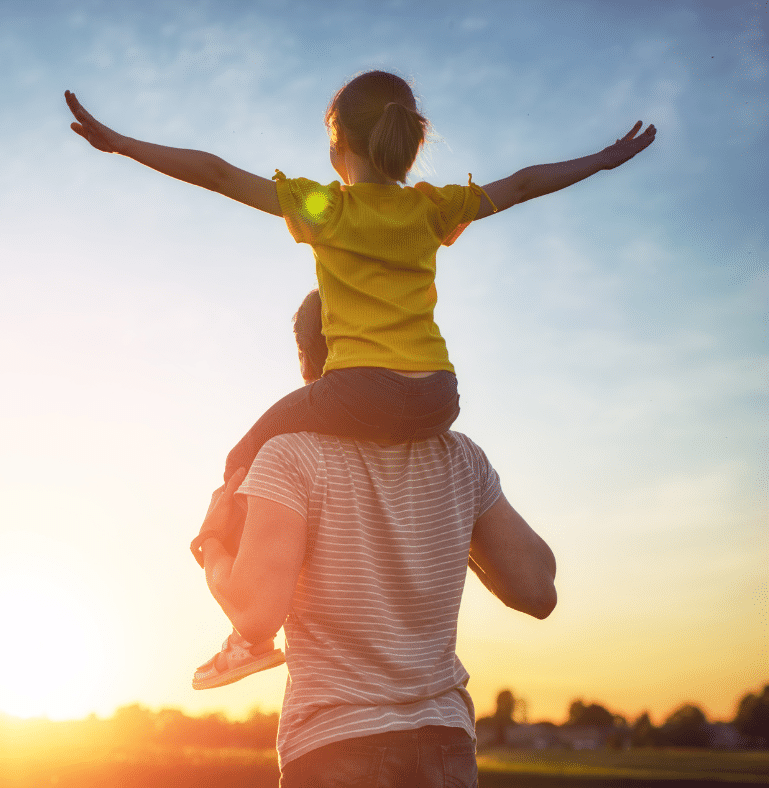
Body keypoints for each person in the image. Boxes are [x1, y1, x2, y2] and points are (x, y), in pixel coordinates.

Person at [65, 69, 654, 684]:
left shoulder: (327, 207)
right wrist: (605, 160)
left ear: (337, 141)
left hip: (359, 390)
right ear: (407, 141)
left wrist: (124, 144)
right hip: (437, 396)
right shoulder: (431, 207)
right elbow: (528, 181)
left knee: (245, 453)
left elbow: (216, 172)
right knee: (329, 436)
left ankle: (247, 634)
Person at [195, 288, 557, 787]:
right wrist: (454, 523)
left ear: (306, 359)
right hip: (444, 745)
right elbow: (538, 589)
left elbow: (256, 617)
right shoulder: (461, 458)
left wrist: (211, 540)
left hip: (335, 746)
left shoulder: (289, 456)